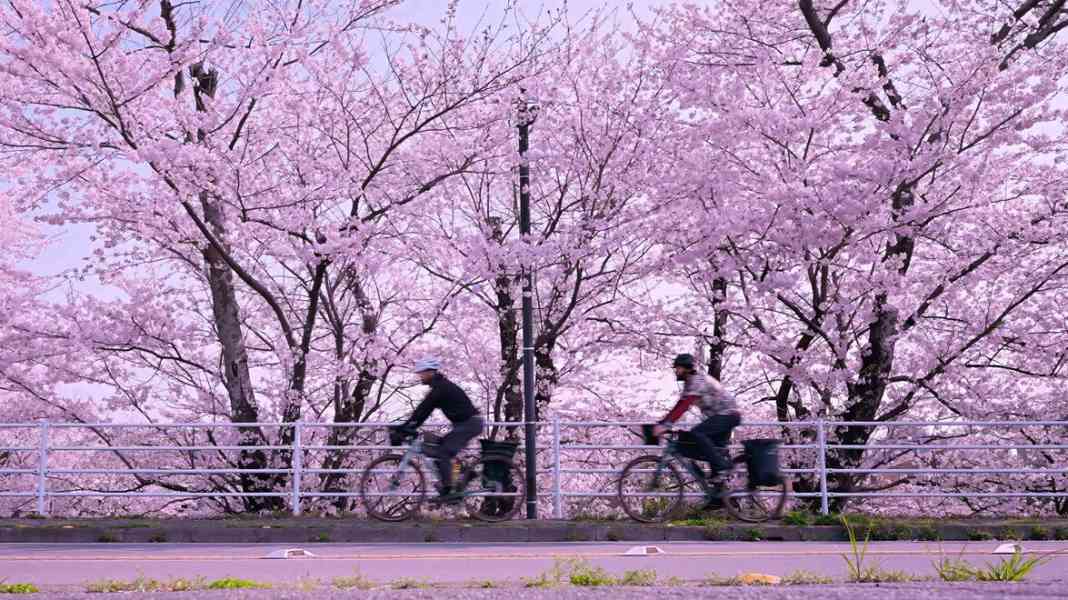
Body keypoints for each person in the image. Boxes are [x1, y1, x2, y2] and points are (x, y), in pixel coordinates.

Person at [653, 353, 741, 509]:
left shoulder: (697, 380)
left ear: (686, 368)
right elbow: (680, 404)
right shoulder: (690, 382)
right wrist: (663, 422)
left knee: (697, 434)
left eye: (678, 368)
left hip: (728, 414)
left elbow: (685, 405)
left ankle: (723, 467)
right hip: (720, 416)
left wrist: (666, 424)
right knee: (714, 451)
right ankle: (718, 499)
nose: (676, 371)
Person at [397, 358, 483, 504]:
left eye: (422, 373)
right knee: (439, 446)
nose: (420, 376)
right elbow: (423, 411)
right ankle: (466, 473)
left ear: (430, 372)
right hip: (465, 424)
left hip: (469, 424)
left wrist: (407, 427)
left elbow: (423, 410)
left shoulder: (440, 389)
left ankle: (448, 490)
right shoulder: (440, 387)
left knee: (444, 451)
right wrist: (408, 425)